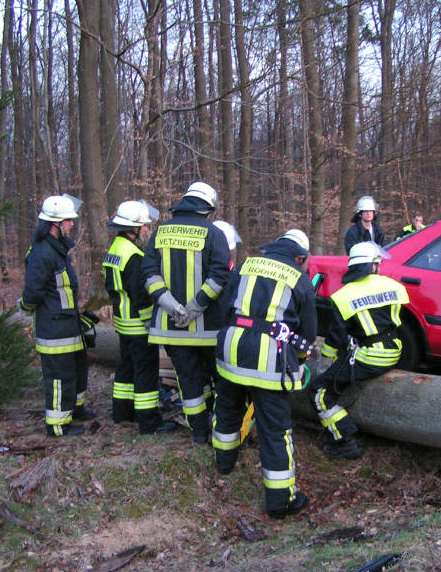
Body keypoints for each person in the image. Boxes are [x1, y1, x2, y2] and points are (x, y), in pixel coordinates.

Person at [212, 229, 317, 519]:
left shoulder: (245, 264)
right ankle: (281, 501)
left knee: (227, 409)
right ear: (300, 257)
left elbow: (224, 306)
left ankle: (224, 463)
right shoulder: (299, 278)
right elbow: (307, 332)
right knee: (275, 430)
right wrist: (299, 360)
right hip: (269, 361)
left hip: (231, 349)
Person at [142, 182, 231, 443]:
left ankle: (199, 434)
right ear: (208, 207)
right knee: (220, 380)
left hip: (171, 328)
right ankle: (222, 429)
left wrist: (172, 306)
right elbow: (219, 277)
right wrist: (193, 309)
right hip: (208, 329)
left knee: (189, 382)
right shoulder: (214, 233)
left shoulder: (160, 232)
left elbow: (149, 275)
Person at [308, 241, 408, 459]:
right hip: (395, 350)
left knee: (318, 392)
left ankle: (344, 441)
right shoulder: (394, 286)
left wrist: (325, 362)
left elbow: (336, 338)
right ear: (373, 265)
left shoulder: (343, 296)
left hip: (371, 357)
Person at [20, 194, 94, 437]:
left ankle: (75, 409)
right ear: (55, 224)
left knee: (77, 368)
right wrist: (26, 307)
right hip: (53, 327)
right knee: (59, 376)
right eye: (68, 220)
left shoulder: (58, 249)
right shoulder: (42, 253)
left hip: (68, 324)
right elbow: (33, 293)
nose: (72, 223)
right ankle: (58, 425)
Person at [103, 200, 177, 434]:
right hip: (137, 324)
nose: (146, 229)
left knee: (126, 367)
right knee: (146, 370)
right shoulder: (134, 255)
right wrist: (149, 321)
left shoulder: (115, 249)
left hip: (122, 321)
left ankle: (122, 412)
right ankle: (148, 421)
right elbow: (141, 294)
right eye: (143, 226)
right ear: (133, 227)